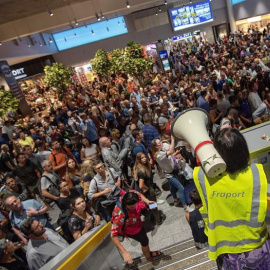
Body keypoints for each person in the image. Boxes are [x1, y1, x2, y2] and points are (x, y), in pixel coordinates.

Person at [193, 128, 270, 268]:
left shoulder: (202, 177)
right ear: (244, 150)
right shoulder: (256, 173)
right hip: (257, 249)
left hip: (226, 254)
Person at [111, 191, 163, 264]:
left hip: (138, 222)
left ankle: (148, 253)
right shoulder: (120, 215)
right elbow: (113, 235)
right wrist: (124, 252)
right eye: (130, 206)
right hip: (132, 230)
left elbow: (139, 194)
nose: (133, 207)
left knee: (144, 239)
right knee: (144, 240)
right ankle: (149, 257)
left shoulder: (131, 194)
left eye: (134, 205)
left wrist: (147, 201)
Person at [151, 136, 189, 211]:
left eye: (160, 142)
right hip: (170, 174)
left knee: (172, 187)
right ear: (155, 146)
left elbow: (170, 156)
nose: (161, 143)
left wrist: (175, 154)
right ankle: (185, 206)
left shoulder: (161, 151)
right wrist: (172, 139)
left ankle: (175, 199)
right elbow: (170, 151)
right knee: (181, 188)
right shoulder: (159, 155)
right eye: (159, 143)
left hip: (171, 171)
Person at [133, 152, 165, 224]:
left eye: (144, 157)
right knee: (153, 206)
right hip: (148, 190)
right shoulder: (142, 171)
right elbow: (141, 185)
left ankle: (153, 216)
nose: (144, 159)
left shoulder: (139, 167)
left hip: (146, 191)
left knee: (151, 205)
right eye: (142, 158)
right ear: (138, 160)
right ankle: (158, 220)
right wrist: (146, 188)